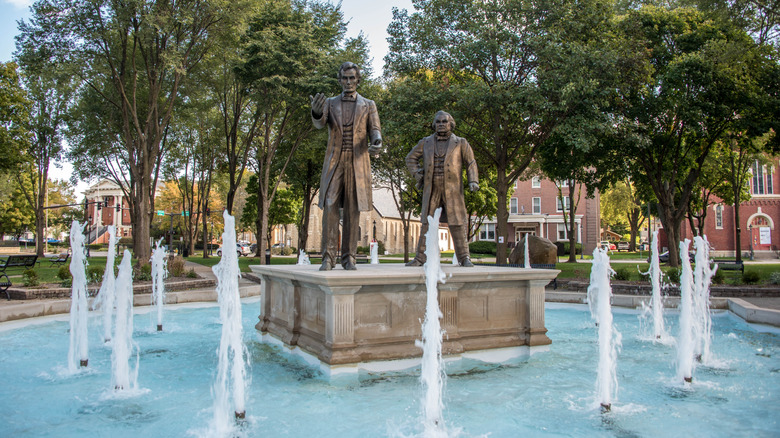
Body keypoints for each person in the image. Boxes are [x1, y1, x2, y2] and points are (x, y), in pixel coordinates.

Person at [310, 62, 382, 270]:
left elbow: (375, 130)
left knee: (352, 208)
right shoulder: (330, 103)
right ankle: (328, 257)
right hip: (335, 161)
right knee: (330, 204)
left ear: (358, 80)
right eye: (345, 78)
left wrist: (376, 141)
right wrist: (316, 112)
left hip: (358, 162)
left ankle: (349, 257)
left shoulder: (368, 104)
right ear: (340, 80)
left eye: (352, 78)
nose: (348, 82)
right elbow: (319, 123)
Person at [405, 111, 479, 267]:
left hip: (452, 189)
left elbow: (471, 163)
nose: (441, 124)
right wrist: (418, 174)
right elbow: (410, 157)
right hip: (431, 189)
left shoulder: (461, 143)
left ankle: (464, 257)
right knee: (426, 222)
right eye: (438, 122)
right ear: (434, 124)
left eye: (444, 121)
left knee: (457, 223)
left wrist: (473, 181)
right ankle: (420, 258)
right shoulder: (425, 142)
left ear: (450, 124)